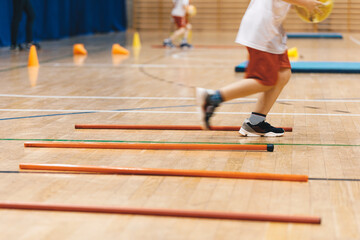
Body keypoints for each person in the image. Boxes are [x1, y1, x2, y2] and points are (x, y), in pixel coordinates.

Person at [196, 0, 323, 137]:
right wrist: (305, 3)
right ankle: (212, 98)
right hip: (263, 29)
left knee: (283, 73)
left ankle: (255, 123)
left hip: (271, 29)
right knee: (264, 80)